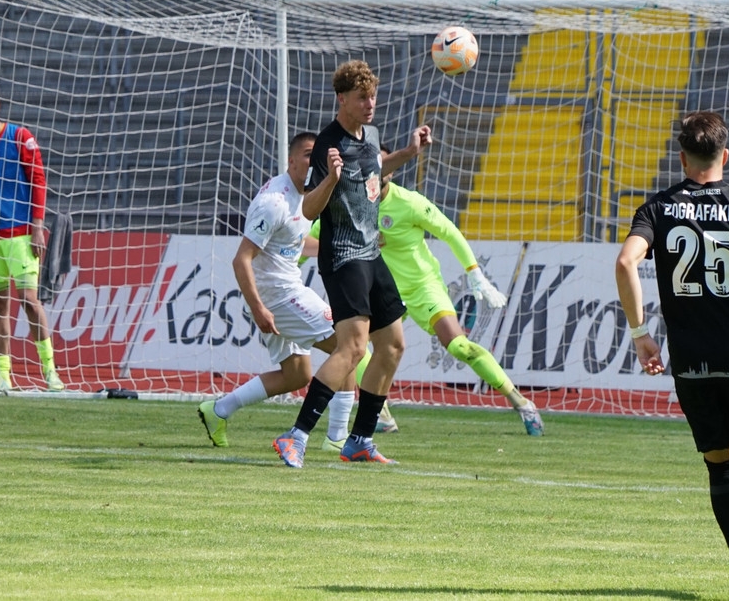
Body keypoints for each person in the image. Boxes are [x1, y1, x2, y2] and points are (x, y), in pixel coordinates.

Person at [614, 111, 729, 594]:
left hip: (690, 362)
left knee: (720, 464)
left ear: (682, 158)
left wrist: (639, 334)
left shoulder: (656, 209)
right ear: (724, 155)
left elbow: (626, 262)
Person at [311, 147, 544, 436]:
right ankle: (380, 412)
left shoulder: (409, 203)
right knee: (356, 348)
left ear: (391, 170)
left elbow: (449, 231)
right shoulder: (350, 205)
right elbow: (310, 236)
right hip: (384, 291)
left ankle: (521, 403)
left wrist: (475, 274)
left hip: (424, 287)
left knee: (459, 346)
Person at [272, 59, 431, 468]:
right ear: (342, 99)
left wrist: (409, 153)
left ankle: (359, 439)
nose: (370, 103)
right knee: (354, 348)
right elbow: (308, 208)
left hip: (370, 253)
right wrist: (329, 180)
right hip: (343, 256)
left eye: (373, 96)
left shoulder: (371, 135)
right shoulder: (329, 143)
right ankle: (296, 435)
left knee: (393, 345)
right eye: (362, 97)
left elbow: (376, 171)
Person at [197, 132, 368, 451]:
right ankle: (336, 437)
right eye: (305, 154)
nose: (310, 159)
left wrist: (343, 247)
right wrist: (259, 308)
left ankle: (218, 410)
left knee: (296, 376)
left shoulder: (305, 197)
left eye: (314, 154)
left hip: (284, 293)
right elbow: (241, 259)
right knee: (349, 346)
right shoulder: (274, 202)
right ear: (290, 160)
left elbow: (293, 243)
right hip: (278, 297)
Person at [0, 84, 64, 392]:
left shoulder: (19, 137)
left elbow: (38, 178)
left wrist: (37, 226)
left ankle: (49, 370)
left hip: (20, 235)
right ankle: (2, 375)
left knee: (28, 301)